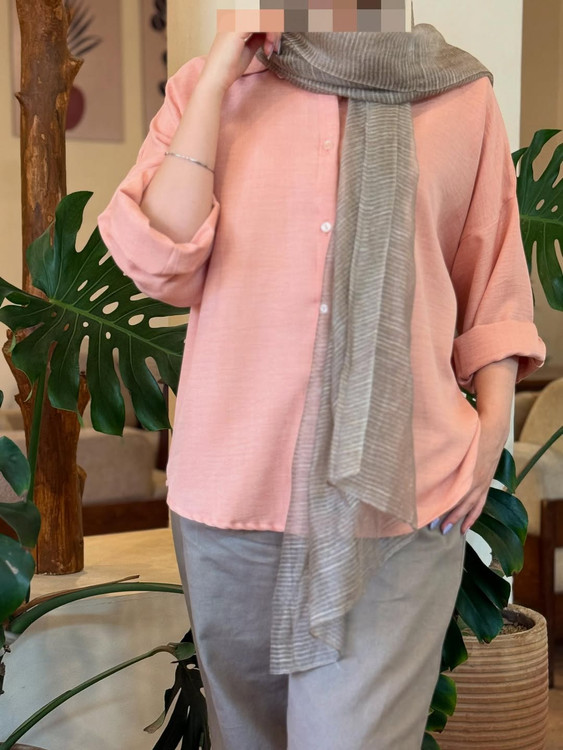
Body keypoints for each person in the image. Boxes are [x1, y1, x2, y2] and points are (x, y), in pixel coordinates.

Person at [98, 26, 546, 750]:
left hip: (401, 494)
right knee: (249, 738)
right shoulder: (214, 86)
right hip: (234, 494)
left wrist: (490, 432)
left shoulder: (461, 96)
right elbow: (160, 260)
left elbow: (492, 279)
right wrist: (217, 79)